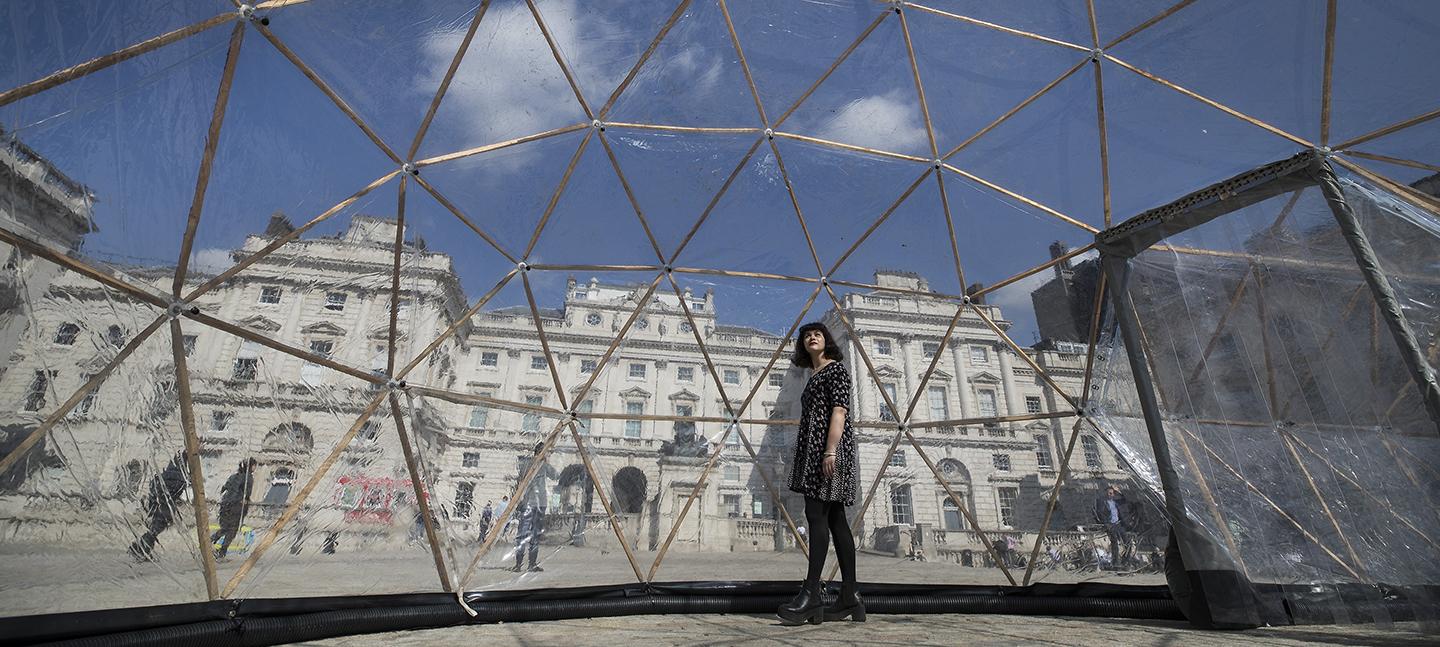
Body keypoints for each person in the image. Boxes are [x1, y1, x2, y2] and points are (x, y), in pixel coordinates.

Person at [777, 322, 861, 626]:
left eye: (818, 334)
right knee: (836, 519)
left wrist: (830, 451)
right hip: (818, 450)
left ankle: (812, 593)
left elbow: (839, 411)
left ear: (827, 341)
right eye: (806, 335)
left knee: (816, 516)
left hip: (827, 450)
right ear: (802, 345)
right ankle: (850, 596)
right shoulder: (813, 374)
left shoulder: (835, 369)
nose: (812, 337)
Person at [128, 451, 189, 562]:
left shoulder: (165, 473)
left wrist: (153, 503)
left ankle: (139, 548)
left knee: (154, 530)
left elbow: (154, 486)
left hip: (156, 504)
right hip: (165, 507)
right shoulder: (179, 477)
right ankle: (140, 550)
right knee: (154, 531)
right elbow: (174, 492)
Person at [511, 441, 559, 572]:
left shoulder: (525, 464)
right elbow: (556, 476)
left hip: (527, 502)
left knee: (522, 534)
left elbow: (519, 481)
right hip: (539, 504)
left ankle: (518, 564)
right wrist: (547, 461)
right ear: (542, 453)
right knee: (535, 534)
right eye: (547, 452)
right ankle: (531, 564)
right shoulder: (543, 465)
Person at [211, 458, 257, 560]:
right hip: (236, 506)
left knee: (225, 528)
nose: (255, 468)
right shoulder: (248, 477)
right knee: (232, 530)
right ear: (251, 466)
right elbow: (247, 494)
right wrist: (246, 501)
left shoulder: (234, 476)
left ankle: (209, 541)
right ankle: (221, 552)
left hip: (225, 504)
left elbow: (224, 488)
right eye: (254, 466)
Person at [1094, 485, 1128, 570]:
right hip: (1110, 524)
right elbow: (1100, 514)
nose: (1110, 495)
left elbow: (1124, 500)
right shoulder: (1102, 502)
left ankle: (1125, 561)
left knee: (1127, 542)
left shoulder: (1115, 502)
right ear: (1106, 494)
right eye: (1109, 493)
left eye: (1112, 493)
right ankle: (1115, 562)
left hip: (1118, 524)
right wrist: (1106, 524)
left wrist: (1119, 492)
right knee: (1114, 542)